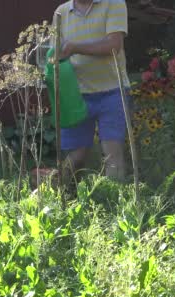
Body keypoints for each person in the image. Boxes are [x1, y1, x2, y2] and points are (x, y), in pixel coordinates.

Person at [53, 0, 130, 181]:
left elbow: (113, 46)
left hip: (113, 91)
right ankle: (60, 196)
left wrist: (75, 47)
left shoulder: (114, 3)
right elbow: (54, 53)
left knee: (113, 154)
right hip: (76, 95)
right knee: (76, 157)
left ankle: (116, 205)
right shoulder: (61, 12)